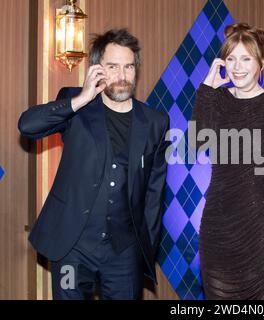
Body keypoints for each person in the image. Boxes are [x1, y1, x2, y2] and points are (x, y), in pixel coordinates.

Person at [18, 29, 169, 300]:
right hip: (72, 248)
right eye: (113, 67)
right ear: (98, 69)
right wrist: (81, 99)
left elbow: (154, 194)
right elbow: (27, 126)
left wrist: (144, 248)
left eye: (129, 67)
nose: (122, 76)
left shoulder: (155, 122)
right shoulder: (76, 103)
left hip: (124, 253)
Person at [191, 23, 264, 300]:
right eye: (231, 59)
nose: (238, 67)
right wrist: (207, 89)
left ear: (261, 63)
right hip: (217, 230)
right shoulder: (218, 99)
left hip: (262, 232)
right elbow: (197, 143)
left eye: (246, 58)